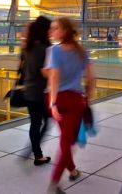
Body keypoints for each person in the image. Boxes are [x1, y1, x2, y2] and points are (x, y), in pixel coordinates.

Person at [46, 18, 95, 194]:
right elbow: (91, 79)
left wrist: (52, 103)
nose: (51, 31)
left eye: (55, 28)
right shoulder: (83, 52)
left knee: (64, 141)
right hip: (75, 101)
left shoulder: (54, 51)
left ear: (65, 31)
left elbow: (54, 77)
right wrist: (87, 96)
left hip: (57, 100)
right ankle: (54, 183)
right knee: (67, 142)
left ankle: (72, 171)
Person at [21, 16, 52, 166]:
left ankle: (35, 151)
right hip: (40, 93)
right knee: (45, 122)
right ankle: (36, 152)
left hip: (28, 91)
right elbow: (45, 72)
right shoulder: (45, 49)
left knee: (36, 123)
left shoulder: (27, 48)